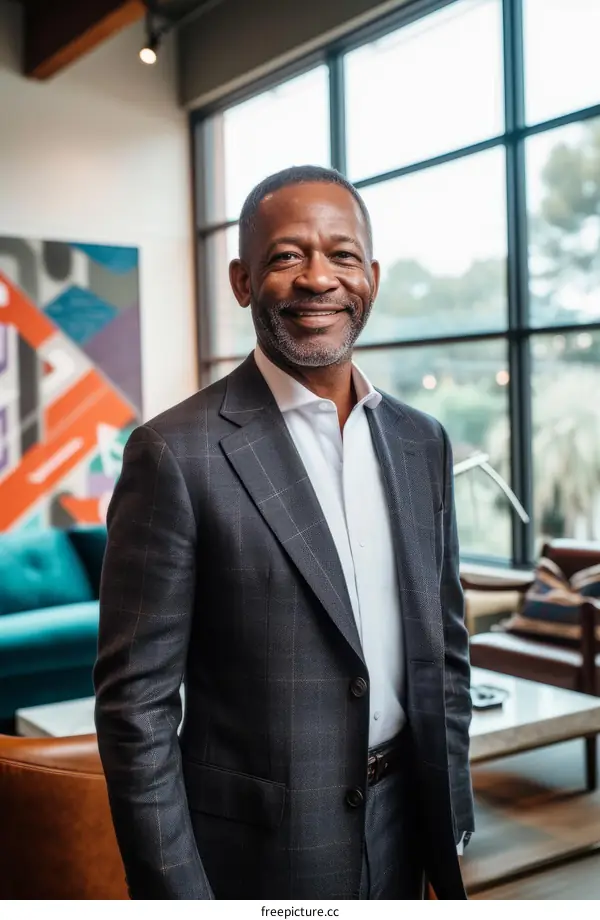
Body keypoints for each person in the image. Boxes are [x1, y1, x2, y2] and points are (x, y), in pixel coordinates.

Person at [94, 165, 474, 901]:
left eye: (341, 255)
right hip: (259, 853)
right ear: (242, 280)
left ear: (372, 275)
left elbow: (446, 651)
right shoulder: (175, 453)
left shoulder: (422, 443)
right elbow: (134, 710)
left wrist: (448, 813)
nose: (317, 278)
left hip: (408, 825)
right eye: (286, 255)